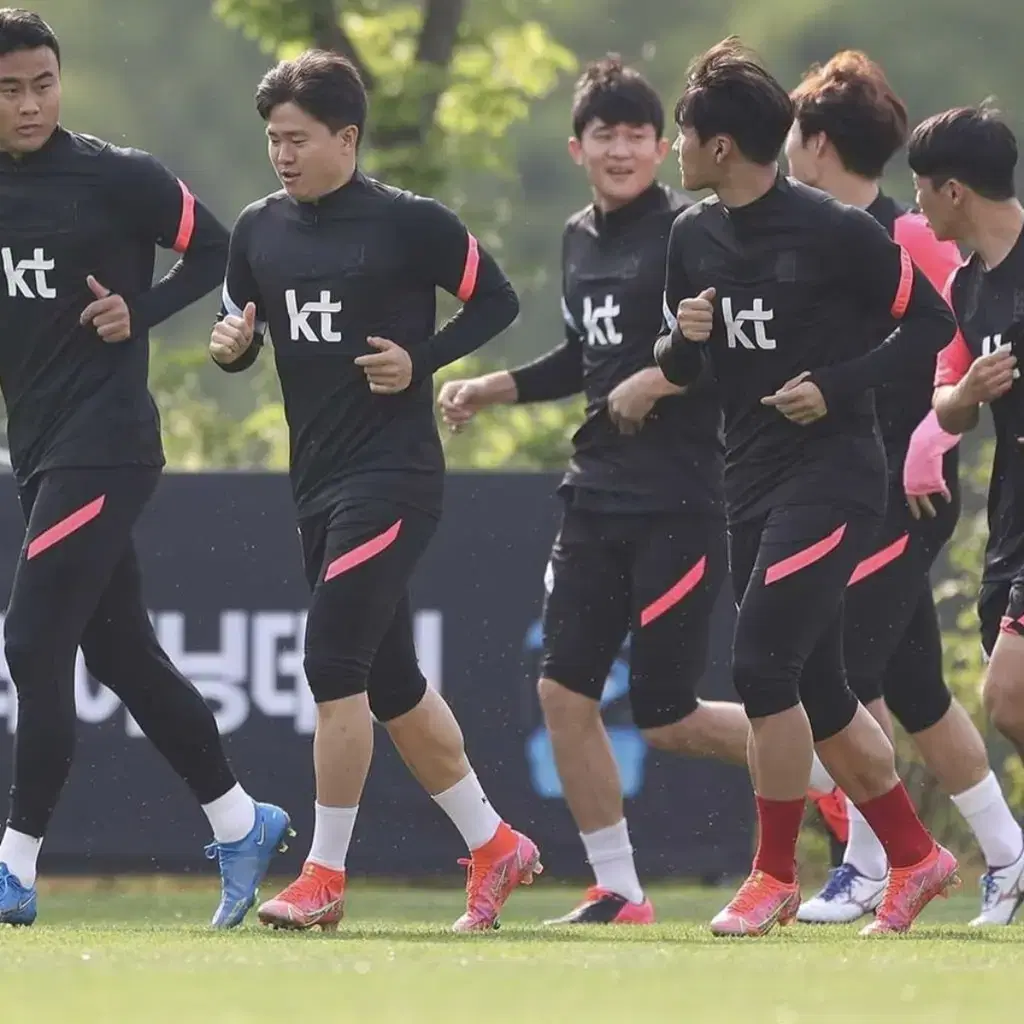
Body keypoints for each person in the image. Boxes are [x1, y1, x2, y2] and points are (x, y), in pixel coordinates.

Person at [211, 49, 538, 935]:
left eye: (299, 139)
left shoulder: (409, 223)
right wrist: (230, 348)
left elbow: (498, 300)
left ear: (346, 137)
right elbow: (236, 331)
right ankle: (494, 842)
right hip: (315, 482)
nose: (282, 154)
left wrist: (420, 360)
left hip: (393, 478)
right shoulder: (257, 229)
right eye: (273, 139)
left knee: (331, 665)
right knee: (391, 683)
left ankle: (322, 876)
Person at [656, 37, 959, 937]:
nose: (676, 148)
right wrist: (686, 336)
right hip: (744, 475)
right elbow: (677, 364)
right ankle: (918, 857)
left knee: (760, 669)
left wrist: (837, 385)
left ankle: (773, 874)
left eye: (683, 132)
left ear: (720, 148)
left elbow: (931, 324)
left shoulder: (835, 229)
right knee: (822, 689)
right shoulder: (690, 233)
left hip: (834, 475)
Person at [437, 56, 749, 926]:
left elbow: (733, 353)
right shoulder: (579, 237)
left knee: (668, 714)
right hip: (595, 492)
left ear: (662, 146)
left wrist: (660, 381)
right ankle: (620, 888)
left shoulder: (695, 233)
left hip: (681, 497)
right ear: (578, 147)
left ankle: (838, 781)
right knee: (562, 692)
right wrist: (488, 386)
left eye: (638, 135)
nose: (621, 149)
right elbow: (583, 355)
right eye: (604, 135)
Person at [0, 8, 290, 929]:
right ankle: (241, 821)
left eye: (43, 82)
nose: (30, 102)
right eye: (9, 89)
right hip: (41, 450)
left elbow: (219, 247)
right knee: (118, 649)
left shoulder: (118, 177)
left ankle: (13, 866)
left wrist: (142, 307)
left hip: (109, 443)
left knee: (29, 639)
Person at [785, 53, 1024, 927]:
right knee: (919, 685)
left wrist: (924, 441)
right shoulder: (956, 274)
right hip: (944, 497)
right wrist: (955, 406)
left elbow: (918, 379)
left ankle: (871, 856)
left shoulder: (908, 236)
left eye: (791, 140)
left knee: (845, 672)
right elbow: (950, 379)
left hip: (900, 494)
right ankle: (1005, 854)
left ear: (816, 144)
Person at [911, 104, 1024, 923]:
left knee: (1007, 696)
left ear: (955, 190)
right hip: (1008, 521)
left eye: (921, 192)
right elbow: (948, 412)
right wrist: (964, 395)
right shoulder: (964, 284)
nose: (917, 209)